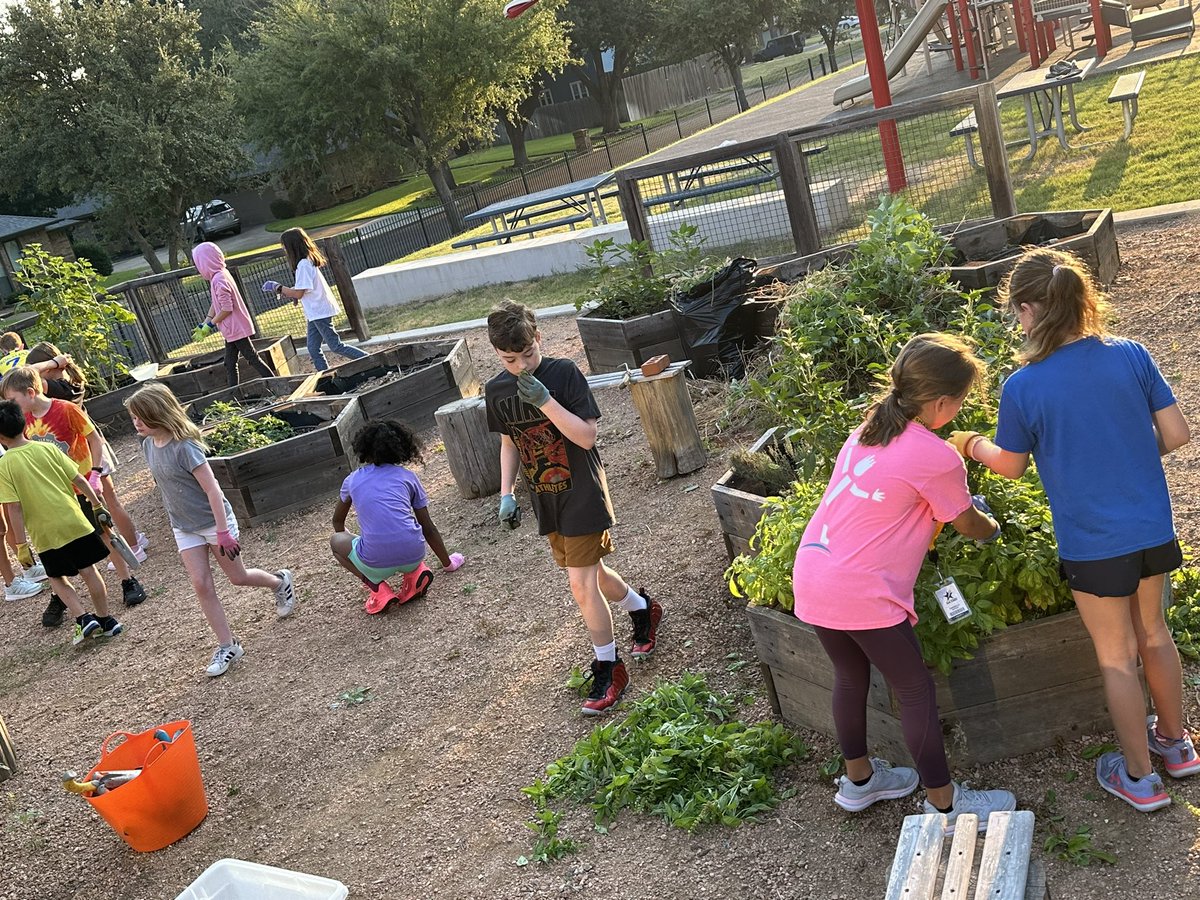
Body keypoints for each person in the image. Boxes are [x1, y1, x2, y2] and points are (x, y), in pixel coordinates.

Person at [949, 248, 1197, 813]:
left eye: (1017, 312)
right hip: (1151, 528)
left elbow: (1010, 464)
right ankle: (1178, 747)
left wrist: (968, 443)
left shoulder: (1024, 386)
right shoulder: (1131, 354)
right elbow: (1177, 433)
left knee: (1116, 657)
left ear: (1031, 309)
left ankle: (1139, 778)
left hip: (1093, 543)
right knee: (1155, 635)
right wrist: (1127, 451)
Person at [793, 333, 1016, 834]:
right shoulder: (937, 456)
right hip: (863, 590)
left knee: (849, 678)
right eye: (960, 402)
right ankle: (945, 804)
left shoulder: (868, 429)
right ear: (942, 402)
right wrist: (992, 525)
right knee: (915, 691)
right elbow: (967, 523)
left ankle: (860, 781)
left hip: (814, 573)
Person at [484, 300, 663, 716]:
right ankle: (643, 608)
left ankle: (609, 666)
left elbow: (586, 437)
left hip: (582, 492)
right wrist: (506, 492)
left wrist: (546, 401)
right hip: (548, 500)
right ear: (496, 354)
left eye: (527, 354)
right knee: (594, 576)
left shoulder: (562, 374)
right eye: (510, 359)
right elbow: (509, 443)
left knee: (580, 585)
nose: (521, 365)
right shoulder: (496, 391)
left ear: (538, 339)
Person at [125, 383, 296, 677]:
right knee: (201, 585)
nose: (136, 423)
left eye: (141, 416)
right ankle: (228, 645)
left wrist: (222, 532)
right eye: (134, 417)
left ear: (157, 413)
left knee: (238, 577)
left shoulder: (185, 447)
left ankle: (280, 582)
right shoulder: (147, 446)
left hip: (214, 525)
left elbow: (213, 490)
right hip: (184, 528)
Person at [1, 366, 147, 612]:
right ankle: (60, 597)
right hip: (55, 494)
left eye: (11, 399)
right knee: (56, 544)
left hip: (81, 485)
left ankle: (127, 580)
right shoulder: (21, 422)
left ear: (30, 392)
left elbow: (94, 439)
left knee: (103, 533)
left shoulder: (66, 409)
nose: (9, 404)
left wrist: (96, 473)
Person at [0, 400, 121, 646]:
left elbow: (13, 507)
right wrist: (96, 504)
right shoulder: (47, 448)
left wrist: (21, 545)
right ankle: (106, 619)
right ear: (24, 423)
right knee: (90, 570)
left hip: (46, 533)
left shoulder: (4, 465)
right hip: (74, 520)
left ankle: (83, 618)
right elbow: (79, 477)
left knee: (56, 578)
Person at [331, 420, 464, 614]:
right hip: (413, 555)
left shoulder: (352, 480)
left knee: (336, 541)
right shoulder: (408, 477)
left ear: (362, 449)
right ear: (401, 448)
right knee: (406, 535)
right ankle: (415, 572)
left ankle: (376, 587)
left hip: (373, 561)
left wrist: (349, 542)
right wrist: (448, 564)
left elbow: (337, 521)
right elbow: (428, 527)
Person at [262, 227, 367, 372]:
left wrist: (278, 287)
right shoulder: (306, 262)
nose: (284, 250)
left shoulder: (303, 265)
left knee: (336, 346)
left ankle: (371, 359)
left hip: (319, 311)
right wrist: (292, 293)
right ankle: (325, 375)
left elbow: (299, 293)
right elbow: (303, 289)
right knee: (313, 348)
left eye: (284, 247)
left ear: (292, 247)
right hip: (314, 312)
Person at [192, 242, 274, 389]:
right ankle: (234, 394)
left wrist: (210, 326)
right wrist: (206, 321)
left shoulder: (219, 279)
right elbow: (215, 302)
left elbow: (226, 308)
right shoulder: (219, 275)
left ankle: (276, 383)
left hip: (235, 328)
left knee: (252, 358)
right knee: (229, 363)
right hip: (231, 329)